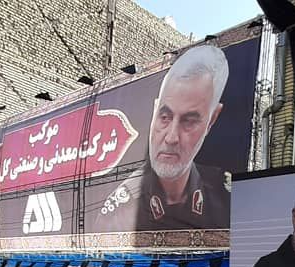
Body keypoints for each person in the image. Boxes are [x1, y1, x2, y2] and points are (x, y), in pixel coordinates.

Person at [91, 45, 231, 232]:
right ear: (155, 110)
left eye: (189, 121)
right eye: (164, 117)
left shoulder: (225, 196)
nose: (171, 138)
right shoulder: (121, 210)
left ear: (212, 120)